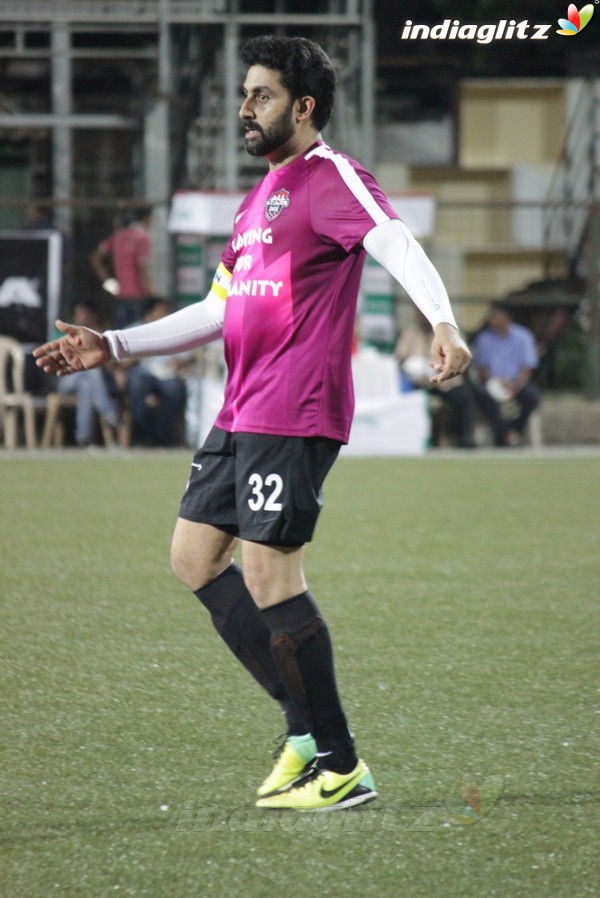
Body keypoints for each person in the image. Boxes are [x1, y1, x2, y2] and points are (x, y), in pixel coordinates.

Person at [34, 35, 471, 811]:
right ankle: (304, 732)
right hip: (242, 408)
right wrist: (114, 345)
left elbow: (395, 241)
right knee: (194, 557)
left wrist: (442, 320)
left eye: (261, 95)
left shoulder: (330, 178)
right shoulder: (254, 202)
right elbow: (217, 309)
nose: (245, 108)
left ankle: (339, 766)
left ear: (303, 108)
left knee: (272, 575)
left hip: (295, 409)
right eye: (245, 93)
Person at [396, 309, 476, 448]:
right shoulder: (410, 333)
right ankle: (422, 440)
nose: (422, 318)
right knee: (411, 397)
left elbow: (462, 357)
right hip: (420, 383)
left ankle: (465, 439)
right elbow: (400, 358)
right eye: (419, 314)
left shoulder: (450, 332)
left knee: (465, 396)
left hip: (447, 381)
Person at [472, 300, 540, 447]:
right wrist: (496, 382)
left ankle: (514, 431)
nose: (491, 318)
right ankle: (506, 435)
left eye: (495, 315)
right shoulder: (484, 339)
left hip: (516, 382)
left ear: (506, 317)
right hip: (492, 382)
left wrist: (515, 387)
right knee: (484, 397)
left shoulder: (523, 337)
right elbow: (481, 368)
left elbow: (527, 368)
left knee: (532, 398)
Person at [125, 297, 191, 447]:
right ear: (149, 315)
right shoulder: (133, 330)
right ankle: (140, 435)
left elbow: (186, 358)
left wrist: (179, 362)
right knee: (136, 385)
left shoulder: (175, 331)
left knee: (175, 389)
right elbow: (118, 361)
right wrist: (134, 358)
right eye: (161, 312)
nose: (166, 315)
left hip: (166, 375)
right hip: (141, 372)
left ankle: (160, 435)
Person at [55, 300, 120, 447]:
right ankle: (109, 412)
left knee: (86, 386)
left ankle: (83, 437)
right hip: (65, 378)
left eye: (83, 313)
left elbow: (111, 364)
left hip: (88, 383)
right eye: (77, 313)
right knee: (92, 372)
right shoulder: (61, 332)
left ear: (92, 316)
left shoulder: (99, 335)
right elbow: (56, 359)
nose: (80, 316)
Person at [89, 206, 155, 329]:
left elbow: (95, 257)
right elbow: (142, 269)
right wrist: (151, 294)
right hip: (138, 294)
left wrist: (108, 282)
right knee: (138, 330)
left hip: (120, 293)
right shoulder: (142, 238)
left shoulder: (118, 236)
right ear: (148, 218)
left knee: (122, 331)